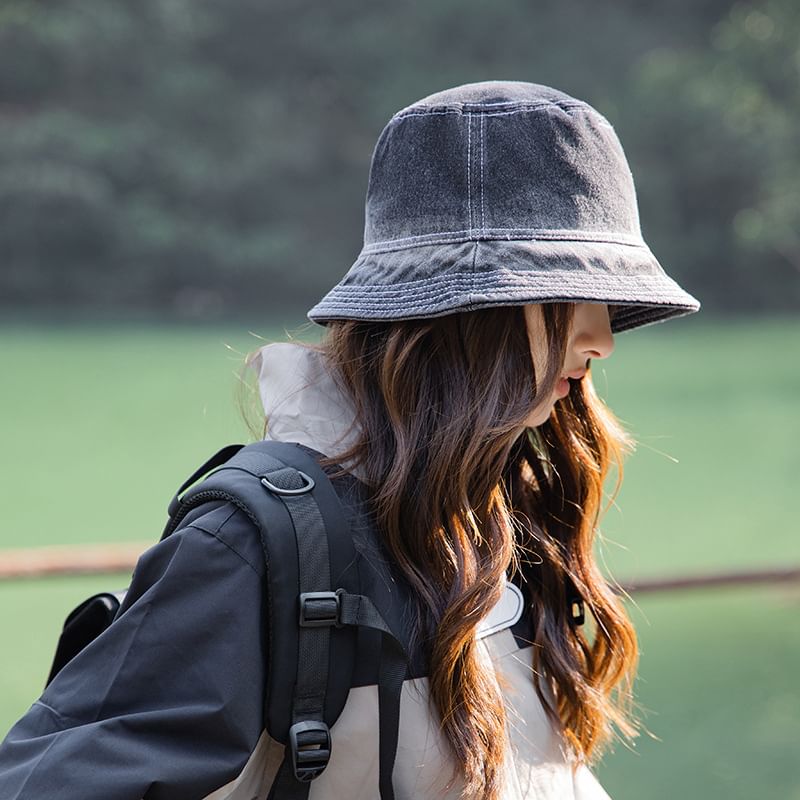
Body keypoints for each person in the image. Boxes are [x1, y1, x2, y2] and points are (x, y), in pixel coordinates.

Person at [0, 80, 700, 799]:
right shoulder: (257, 545)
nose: (603, 339)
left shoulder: (503, 513)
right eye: (565, 296)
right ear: (462, 312)